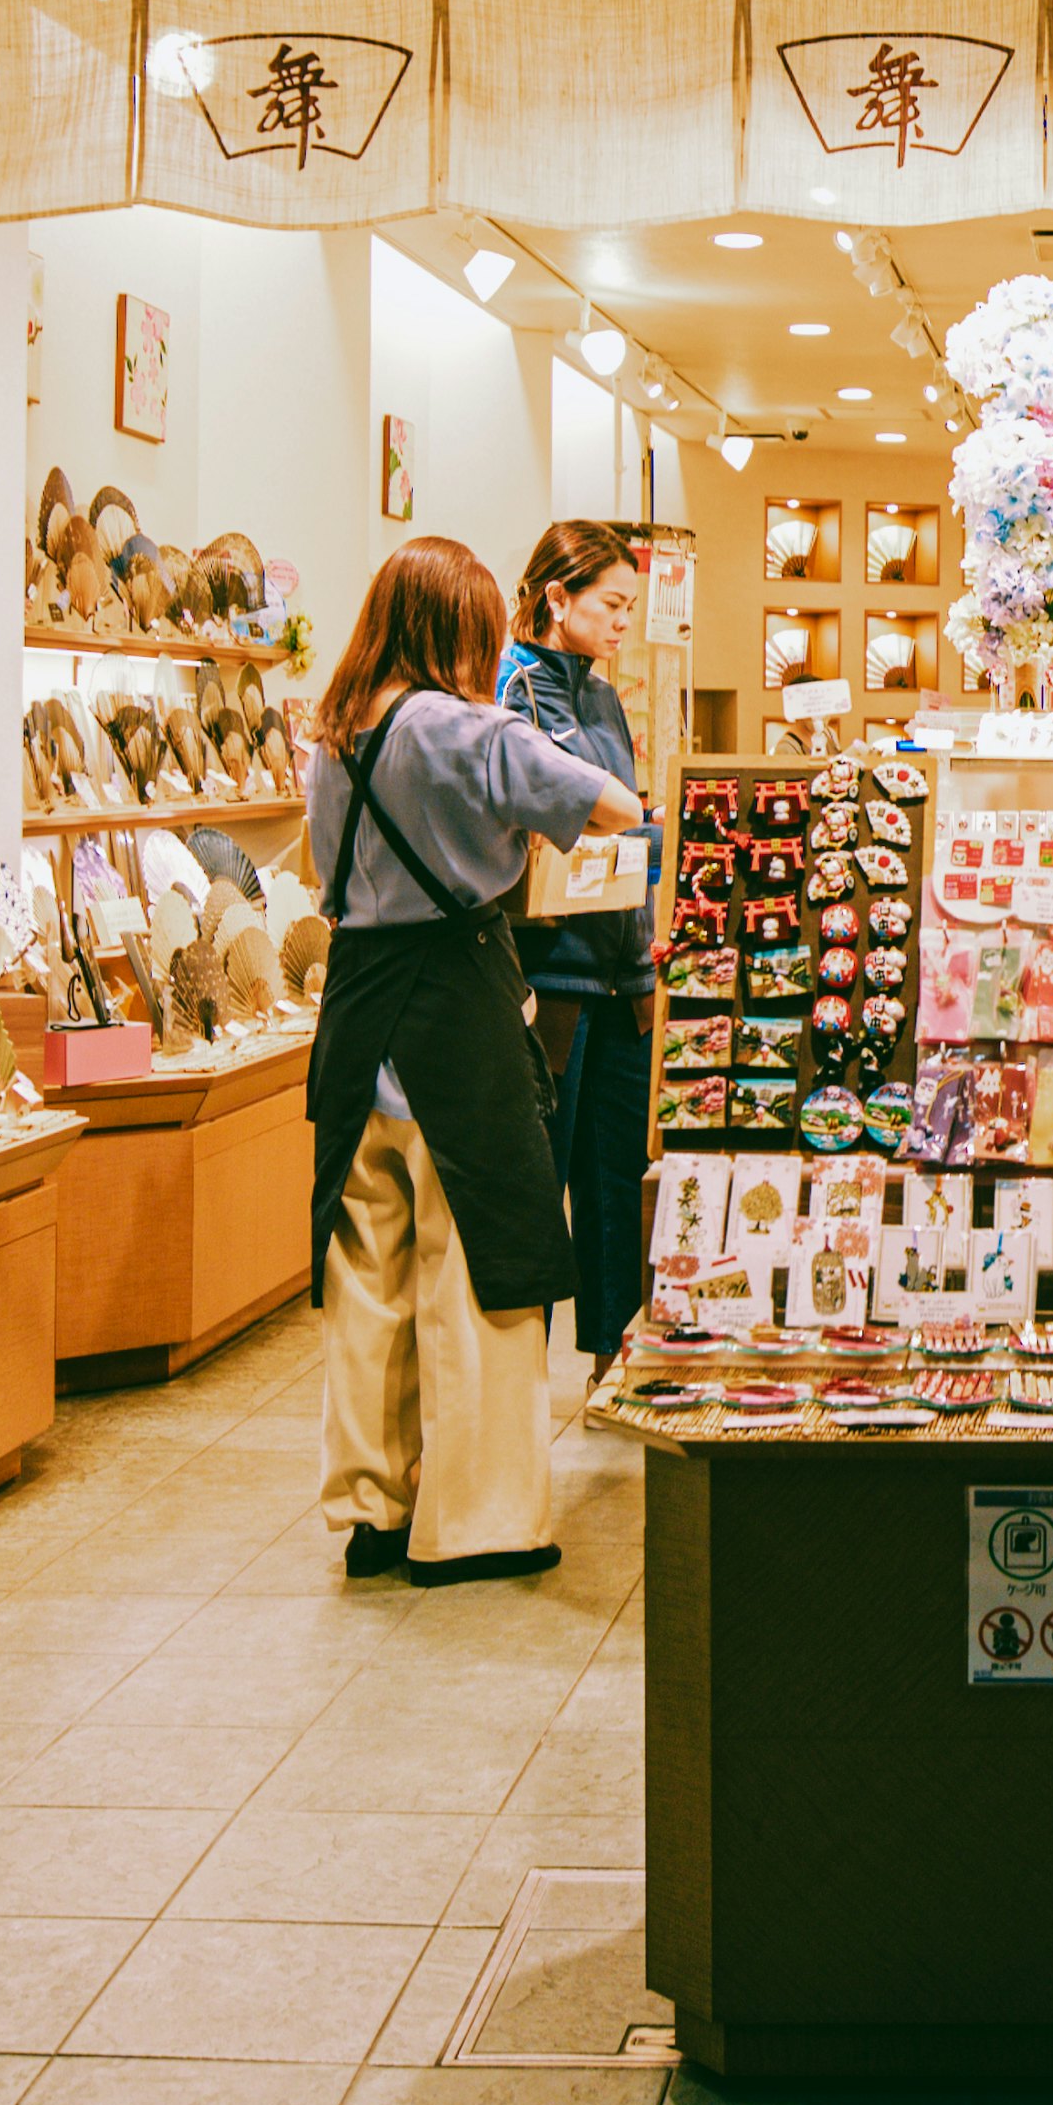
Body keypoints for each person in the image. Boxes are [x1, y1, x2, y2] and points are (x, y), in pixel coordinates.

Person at [298, 533, 641, 1586]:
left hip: (355, 1023)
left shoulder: (334, 733)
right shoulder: (473, 730)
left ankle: (373, 1508)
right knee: (479, 1270)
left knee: (367, 1279)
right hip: (457, 1015)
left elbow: (324, 874)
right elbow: (615, 809)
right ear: (466, 627)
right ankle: (476, 1519)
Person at [498, 520, 656, 1363]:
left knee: (617, 1187)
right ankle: (520, 1382)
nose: (625, 621)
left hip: (623, 965)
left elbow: (617, 811)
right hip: (555, 974)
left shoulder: (596, 689)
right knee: (541, 1185)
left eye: (632, 605)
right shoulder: (517, 686)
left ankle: (612, 1362)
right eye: (612, 603)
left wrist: (634, 826)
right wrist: (641, 826)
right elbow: (596, 804)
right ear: (557, 597)